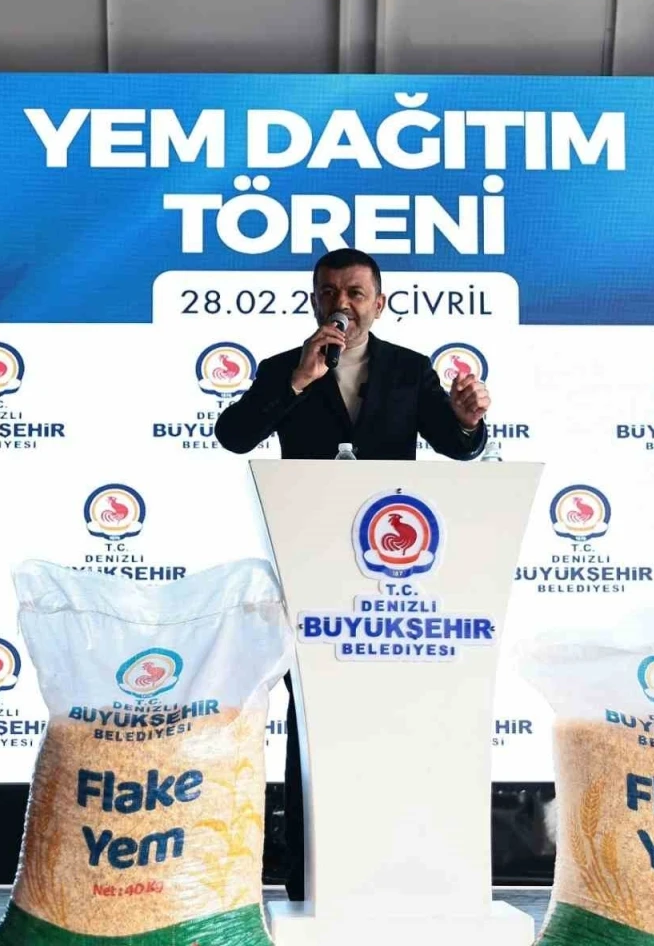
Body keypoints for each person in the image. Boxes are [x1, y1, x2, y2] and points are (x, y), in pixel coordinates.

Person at [214, 248, 491, 902]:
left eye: (356, 292)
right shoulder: (285, 368)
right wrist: (296, 384)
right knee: (311, 717)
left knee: (389, 713)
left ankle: (390, 864)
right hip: (311, 571)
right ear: (314, 300)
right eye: (330, 291)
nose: (343, 303)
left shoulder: (410, 370)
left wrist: (469, 422)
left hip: (391, 583)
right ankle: (307, 874)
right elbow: (234, 435)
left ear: (379, 303)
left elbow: (456, 448)